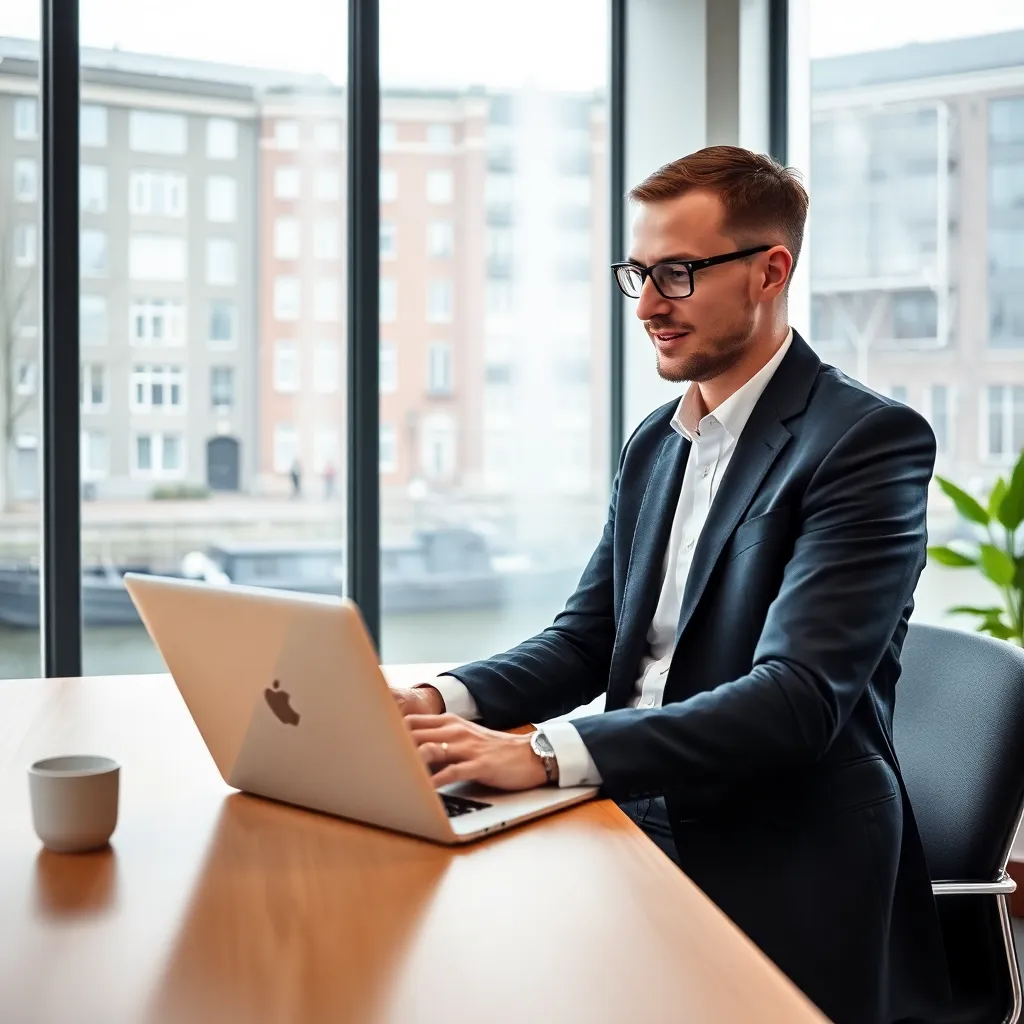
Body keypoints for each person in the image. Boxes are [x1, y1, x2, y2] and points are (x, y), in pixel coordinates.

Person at [389, 146, 949, 1024]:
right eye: (640, 273)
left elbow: (795, 701)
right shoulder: (657, 441)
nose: (648, 305)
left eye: (679, 274)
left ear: (771, 271)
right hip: (619, 809)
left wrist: (540, 754)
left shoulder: (866, 443)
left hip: (775, 849)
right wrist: (437, 699)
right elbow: (585, 639)